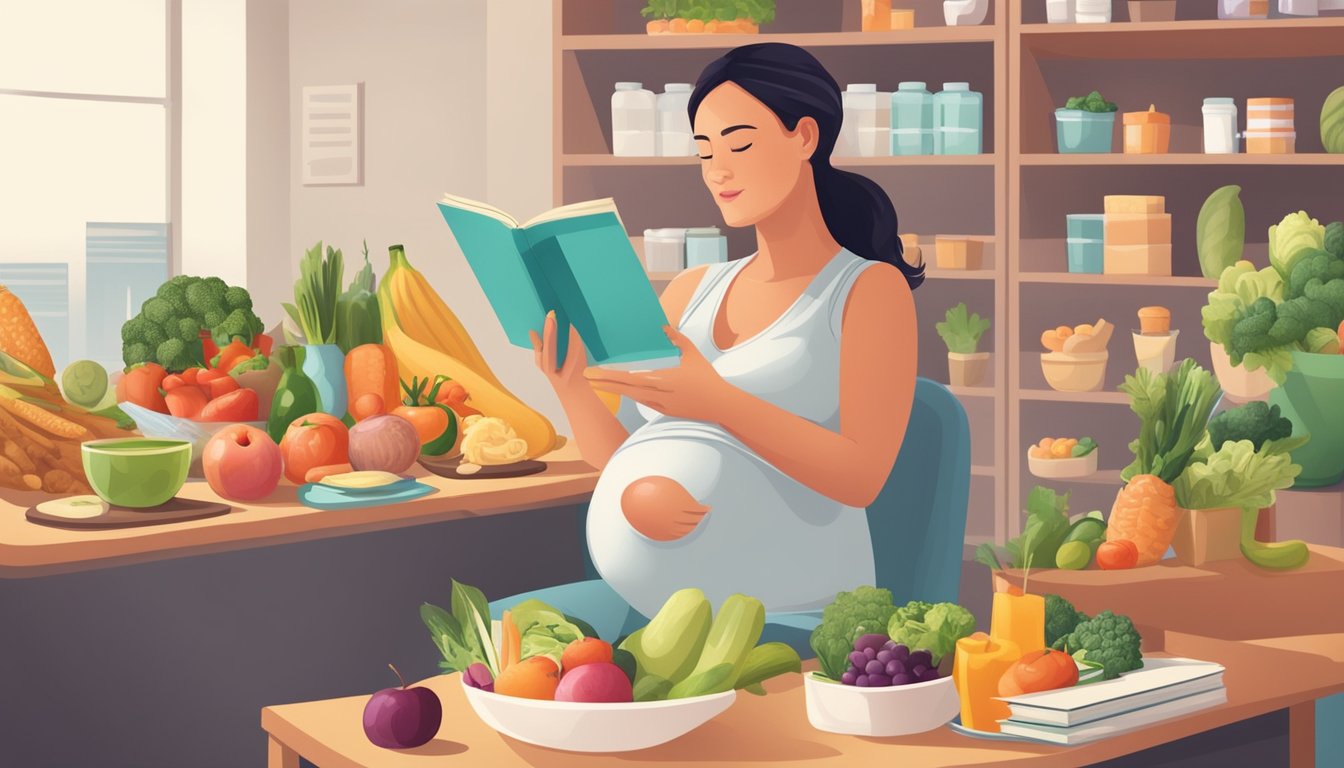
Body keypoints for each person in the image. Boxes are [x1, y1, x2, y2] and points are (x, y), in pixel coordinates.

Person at [529, 43, 921, 619]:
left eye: (739, 143)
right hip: (657, 610)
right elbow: (621, 453)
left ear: (805, 137)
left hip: (791, 613)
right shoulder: (691, 288)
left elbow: (861, 477)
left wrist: (716, 401)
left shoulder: (866, 291)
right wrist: (570, 388)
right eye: (704, 151)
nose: (719, 170)